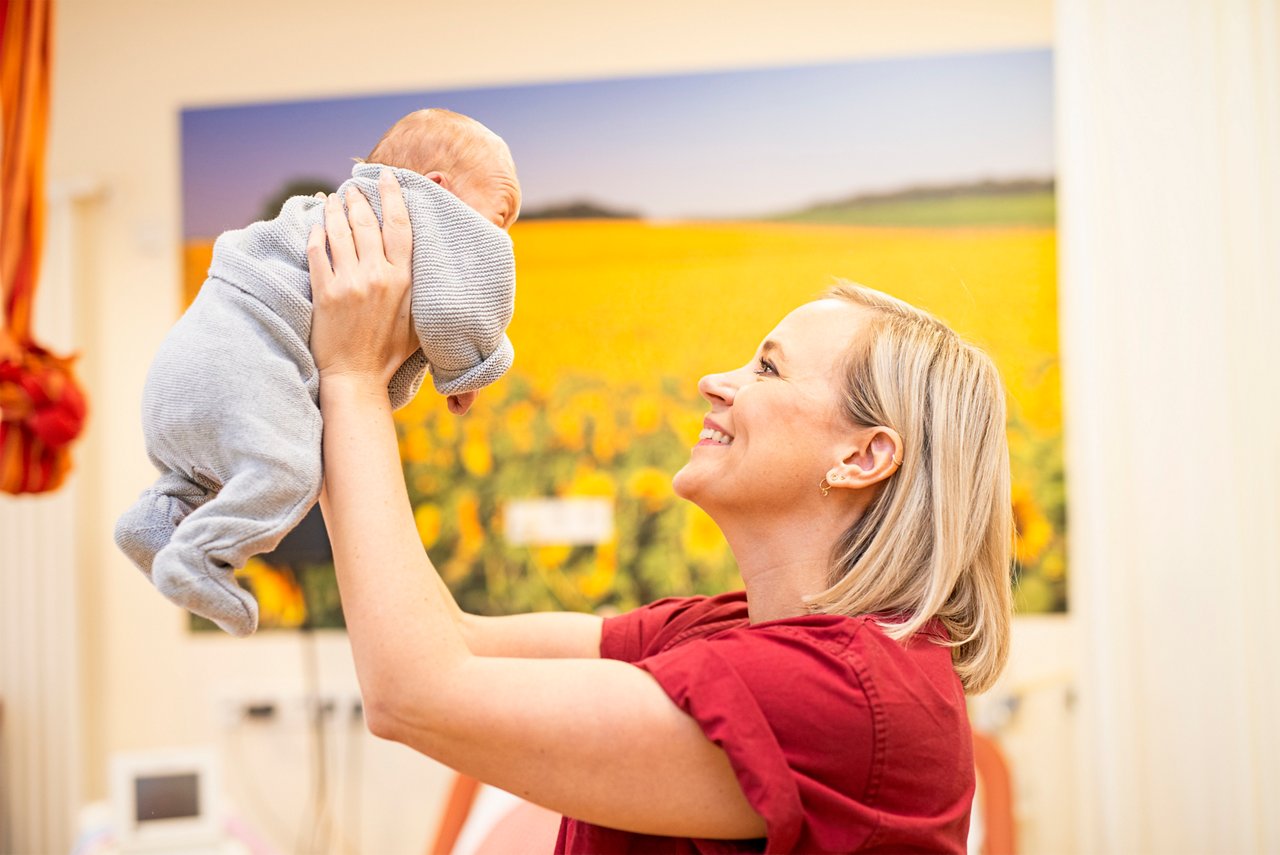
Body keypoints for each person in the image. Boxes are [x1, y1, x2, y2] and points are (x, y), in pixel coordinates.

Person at [309, 179, 1013, 853]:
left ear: (864, 457)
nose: (716, 381)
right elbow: (448, 641)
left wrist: (351, 377)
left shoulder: (840, 695)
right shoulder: (727, 629)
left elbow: (414, 693)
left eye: (767, 369)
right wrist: (333, 384)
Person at [115, 109, 521, 637]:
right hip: (242, 363)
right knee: (288, 473)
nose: (498, 240)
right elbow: (458, 309)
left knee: (203, 475)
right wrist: (472, 365)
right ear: (436, 190)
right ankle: (200, 553)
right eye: (497, 220)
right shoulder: (421, 212)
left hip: (184, 369)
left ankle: (153, 521)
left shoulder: (327, 215)